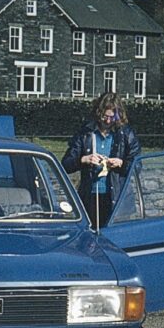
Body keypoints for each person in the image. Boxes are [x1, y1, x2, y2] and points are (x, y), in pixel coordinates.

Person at [61, 92, 141, 229]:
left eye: (112, 117)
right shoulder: (86, 133)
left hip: (118, 199)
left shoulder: (126, 134)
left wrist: (121, 163)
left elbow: (137, 165)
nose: (108, 121)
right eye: (105, 116)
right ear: (99, 113)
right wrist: (84, 159)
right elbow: (66, 164)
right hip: (89, 197)